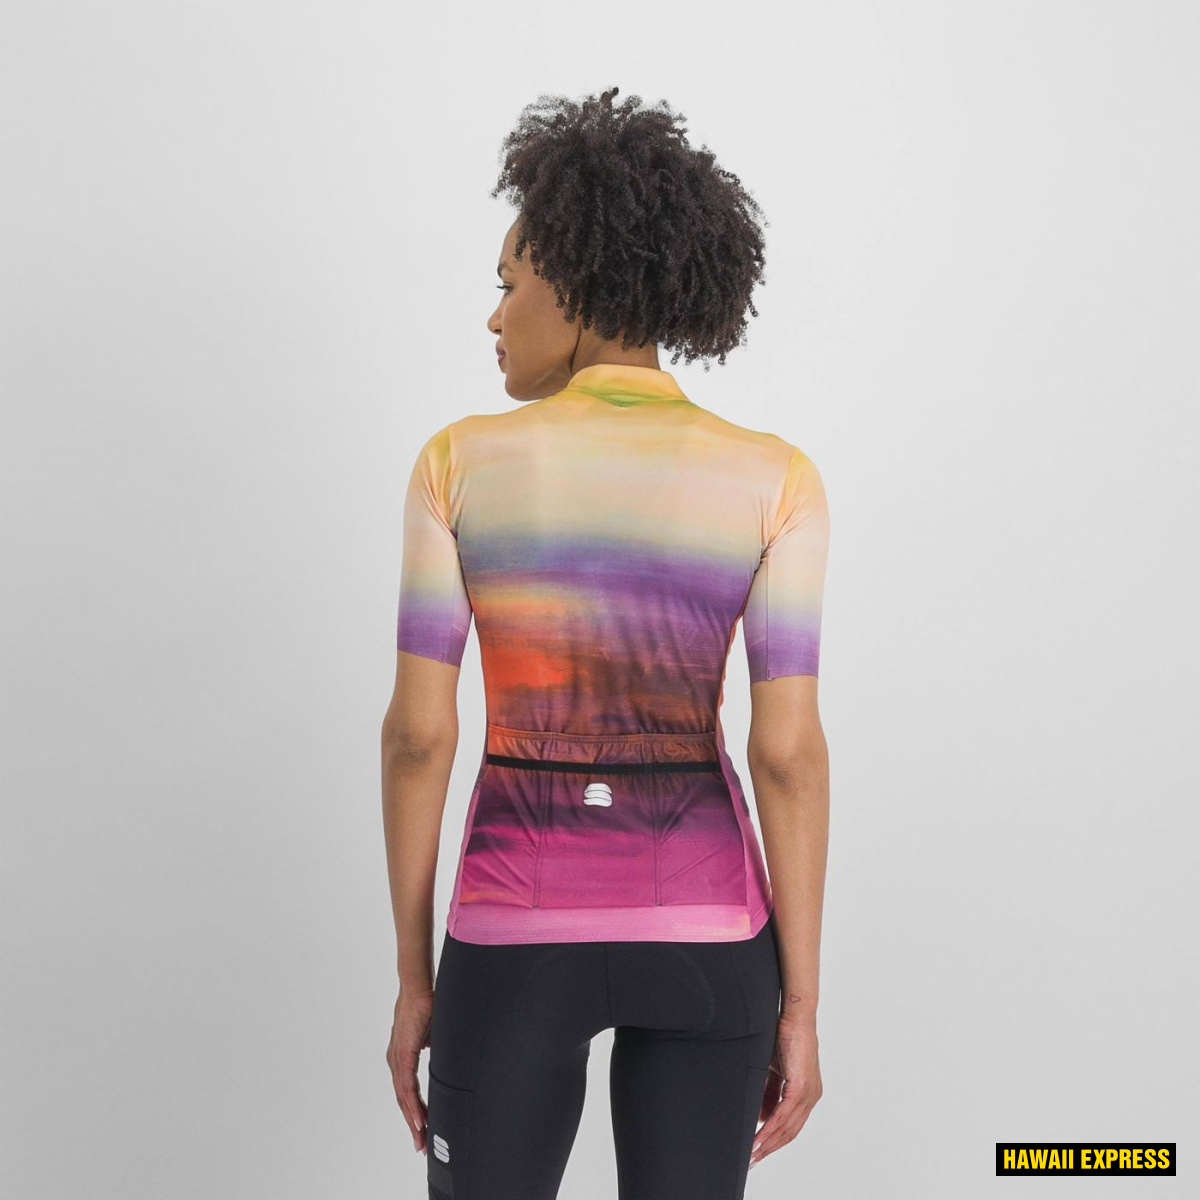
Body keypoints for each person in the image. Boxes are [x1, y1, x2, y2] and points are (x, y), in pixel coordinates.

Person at [382, 86, 831, 1200]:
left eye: (508, 283)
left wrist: (414, 979)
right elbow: (786, 753)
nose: (494, 317)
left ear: (573, 278)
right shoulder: (776, 479)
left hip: (513, 932)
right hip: (713, 937)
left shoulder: (456, 464)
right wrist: (803, 1003)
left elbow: (419, 739)